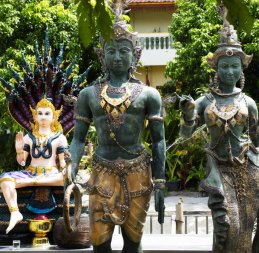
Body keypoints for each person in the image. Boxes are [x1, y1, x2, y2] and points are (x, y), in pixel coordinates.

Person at [179, 5, 259, 253]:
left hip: (248, 169)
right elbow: (184, 136)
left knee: (246, 227)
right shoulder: (205, 102)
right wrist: (187, 116)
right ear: (216, 69)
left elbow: (257, 139)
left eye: (234, 66)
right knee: (226, 226)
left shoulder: (247, 102)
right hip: (219, 169)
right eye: (225, 66)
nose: (230, 71)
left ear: (242, 68)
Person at [68, 1, 166, 252]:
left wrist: (161, 182)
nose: (118, 56)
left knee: (133, 244)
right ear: (102, 55)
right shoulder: (88, 94)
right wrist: (70, 171)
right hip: (102, 172)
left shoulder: (149, 94)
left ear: (135, 54)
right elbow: (78, 139)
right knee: (100, 244)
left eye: (124, 51)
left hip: (138, 173)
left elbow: (158, 140)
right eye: (111, 51)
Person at [0, 98, 68, 234]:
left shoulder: (60, 137)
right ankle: (15, 212)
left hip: (51, 173)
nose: (43, 117)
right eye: (40, 113)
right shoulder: (28, 137)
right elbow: (22, 161)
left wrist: (67, 168)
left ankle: (32, 182)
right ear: (35, 116)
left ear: (54, 117)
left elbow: (63, 162)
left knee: (67, 176)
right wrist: (19, 152)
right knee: (5, 179)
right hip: (31, 172)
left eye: (47, 114)